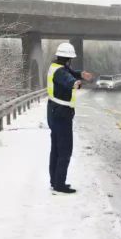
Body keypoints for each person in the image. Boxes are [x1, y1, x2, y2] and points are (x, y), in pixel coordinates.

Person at [46, 42, 94, 194]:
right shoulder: (60, 72)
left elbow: (70, 73)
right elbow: (68, 79)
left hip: (53, 111)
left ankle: (55, 181)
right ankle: (60, 184)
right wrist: (76, 83)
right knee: (65, 150)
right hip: (61, 114)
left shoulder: (55, 67)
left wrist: (80, 74)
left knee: (56, 149)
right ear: (68, 58)